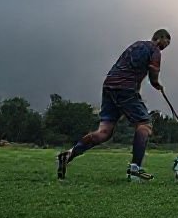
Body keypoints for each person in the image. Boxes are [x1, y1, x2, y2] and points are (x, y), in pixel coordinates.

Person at [57, 29, 171, 182]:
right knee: (144, 125)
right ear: (159, 38)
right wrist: (158, 85)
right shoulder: (154, 50)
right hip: (125, 88)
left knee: (104, 132)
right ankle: (135, 168)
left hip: (109, 86)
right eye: (166, 41)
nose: (166, 45)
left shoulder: (135, 45)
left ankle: (69, 154)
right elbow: (153, 77)